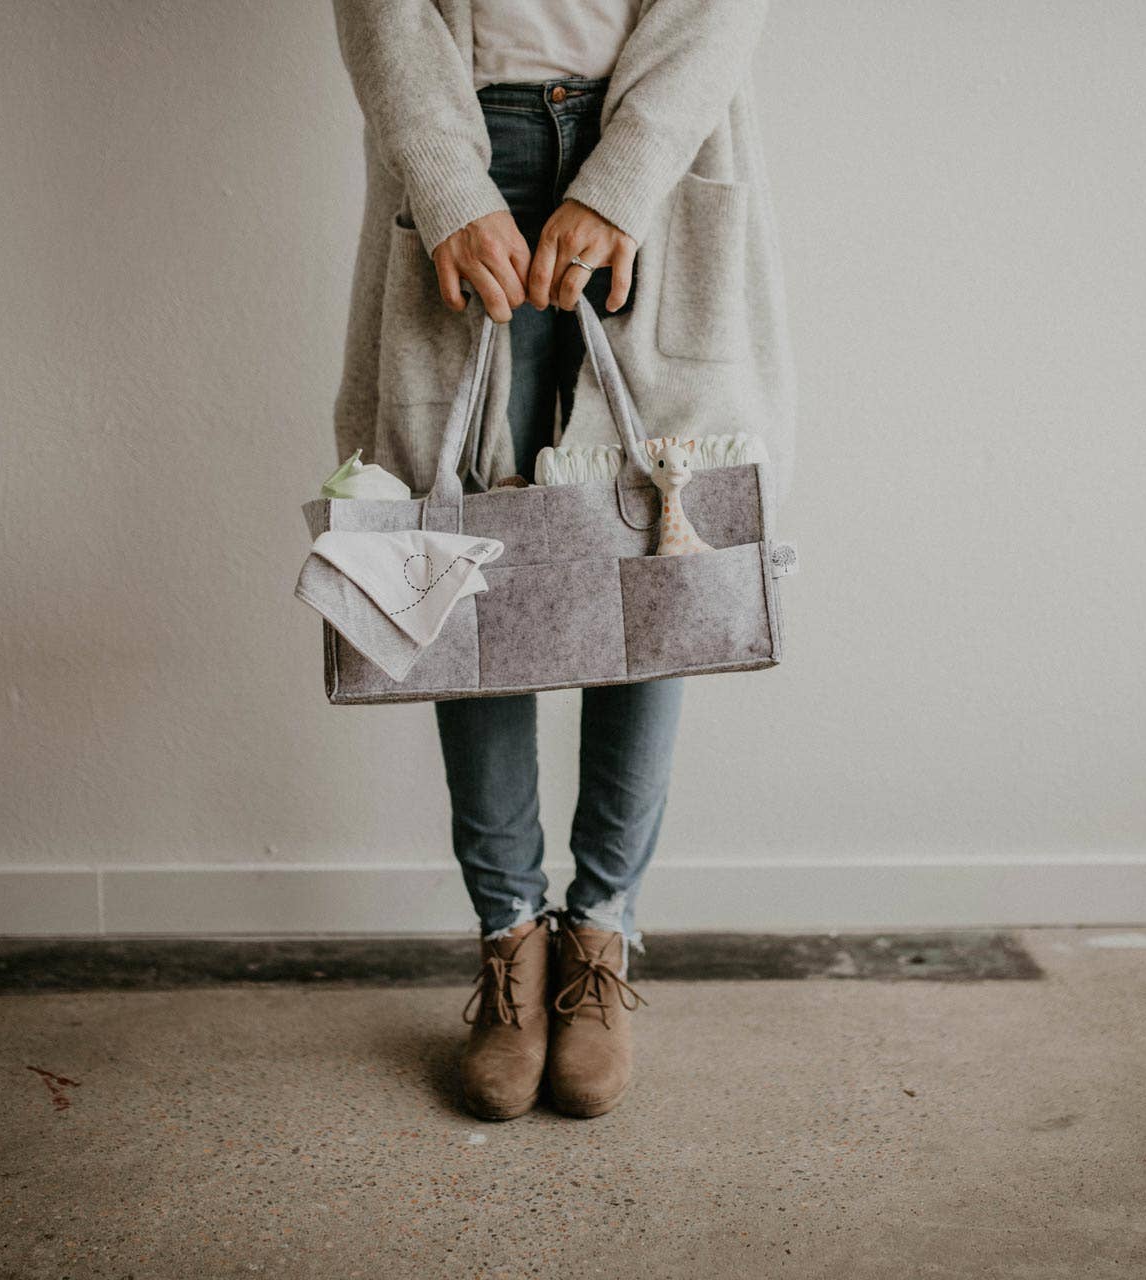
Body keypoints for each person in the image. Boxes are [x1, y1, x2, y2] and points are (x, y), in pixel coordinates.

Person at [331, 0, 796, 1119]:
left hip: (655, 154)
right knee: (459, 565)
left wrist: (621, 179)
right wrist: (447, 182)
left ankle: (600, 937)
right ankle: (509, 940)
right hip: (465, 144)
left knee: (654, 549)